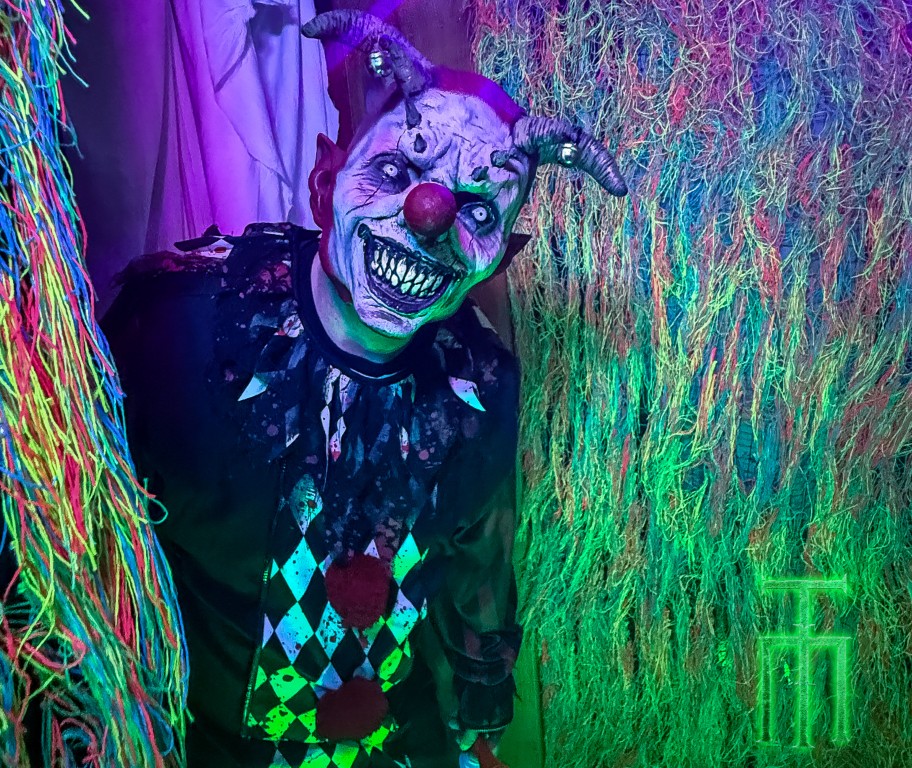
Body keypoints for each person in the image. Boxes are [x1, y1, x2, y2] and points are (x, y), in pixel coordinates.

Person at [100, 11, 627, 768]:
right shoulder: (179, 329)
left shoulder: (477, 387)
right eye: (397, 172)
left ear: (498, 257)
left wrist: (476, 717)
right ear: (327, 177)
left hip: (390, 744)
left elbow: (476, 562)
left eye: (478, 209)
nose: (430, 216)